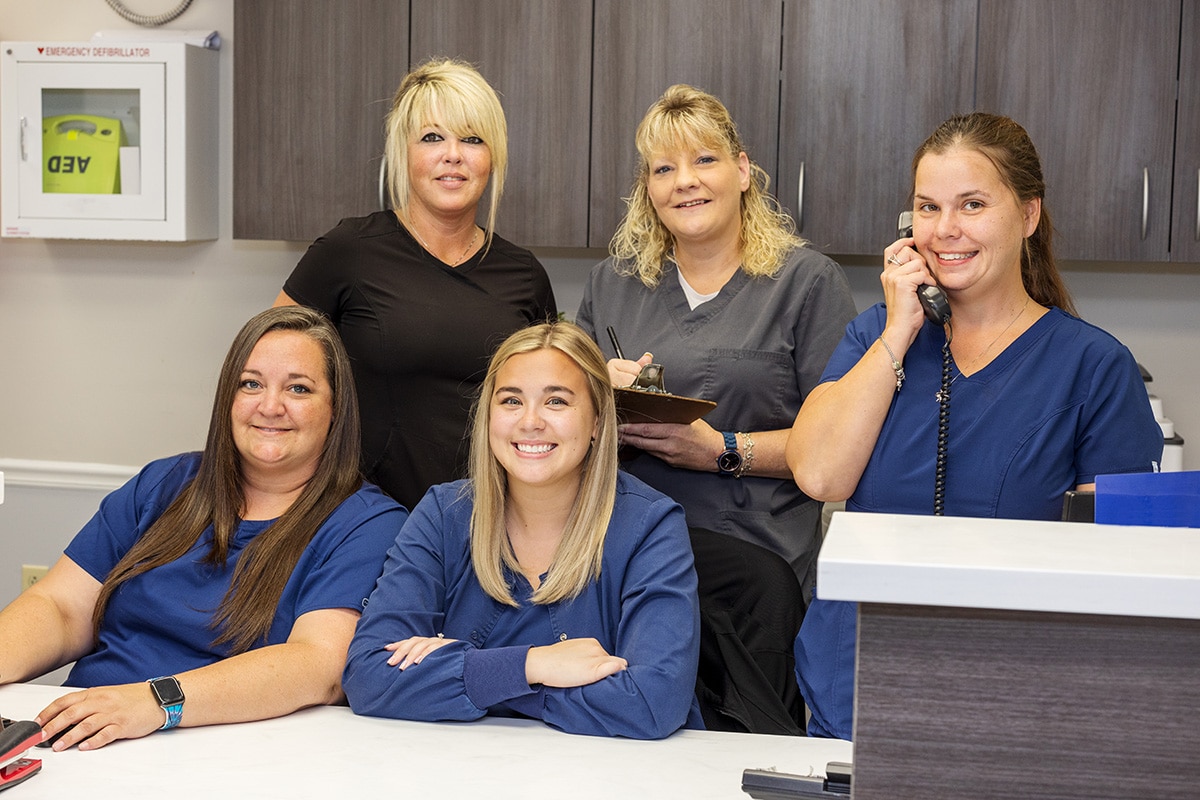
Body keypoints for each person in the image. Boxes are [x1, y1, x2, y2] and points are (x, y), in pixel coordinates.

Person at [787, 112, 1163, 740]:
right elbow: (821, 473)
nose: (946, 230)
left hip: (1013, 697)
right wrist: (901, 328)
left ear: (1029, 215)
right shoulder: (876, 337)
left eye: (972, 204)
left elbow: (1122, 573)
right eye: (928, 208)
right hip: (857, 683)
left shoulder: (1094, 368)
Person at [0, 306, 406, 751]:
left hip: (224, 751)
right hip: (85, 733)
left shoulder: (367, 525)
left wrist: (155, 703)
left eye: (299, 388)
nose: (270, 406)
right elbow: (61, 607)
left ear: (336, 409)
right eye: (250, 384)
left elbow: (318, 667)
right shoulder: (163, 485)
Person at [343, 322, 702, 739]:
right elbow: (368, 676)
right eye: (511, 400)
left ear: (597, 423)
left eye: (556, 401)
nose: (530, 422)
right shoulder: (444, 513)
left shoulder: (650, 524)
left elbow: (652, 702)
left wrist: (470, 673)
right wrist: (536, 666)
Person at [575, 84, 856, 602]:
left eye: (704, 159)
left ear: (743, 171)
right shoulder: (609, 286)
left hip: (757, 572)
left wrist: (721, 450)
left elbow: (839, 451)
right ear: (648, 189)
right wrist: (594, 401)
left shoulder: (807, 283)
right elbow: (564, 434)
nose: (685, 182)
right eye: (663, 169)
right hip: (627, 564)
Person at [275, 57, 557, 511]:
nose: (453, 155)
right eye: (432, 137)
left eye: (472, 139)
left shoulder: (523, 274)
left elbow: (546, 405)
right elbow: (271, 374)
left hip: (487, 520)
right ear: (403, 154)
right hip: (362, 517)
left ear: (493, 157)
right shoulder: (350, 250)